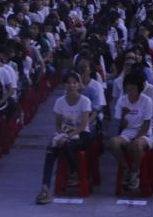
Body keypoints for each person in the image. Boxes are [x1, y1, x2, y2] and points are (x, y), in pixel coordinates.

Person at [35, 71, 92, 205]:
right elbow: (58, 125)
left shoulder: (85, 101)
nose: (71, 85)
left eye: (74, 83)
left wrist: (67, 137)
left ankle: (74, 172)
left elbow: (83, 126)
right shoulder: (60, 102)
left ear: (78, 84)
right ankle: (45, 188)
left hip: (81, 135)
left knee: (66, 145)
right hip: (65, 133)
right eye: (68, 83)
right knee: (51, 149)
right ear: (64, 85)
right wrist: (61, 135)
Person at [108, 71, 153, 192]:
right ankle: (126, 168)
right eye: (128, 89)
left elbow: (146, 124)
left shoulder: (147, 101)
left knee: (137, 145)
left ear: (139, 89)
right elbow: (121, 126)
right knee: (113, 142)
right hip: (127, 132)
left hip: (144, 132)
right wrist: (124, 115)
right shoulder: (122, 101)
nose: (130, 92)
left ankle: (134, 172)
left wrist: (136, 139)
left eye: (133, 89)